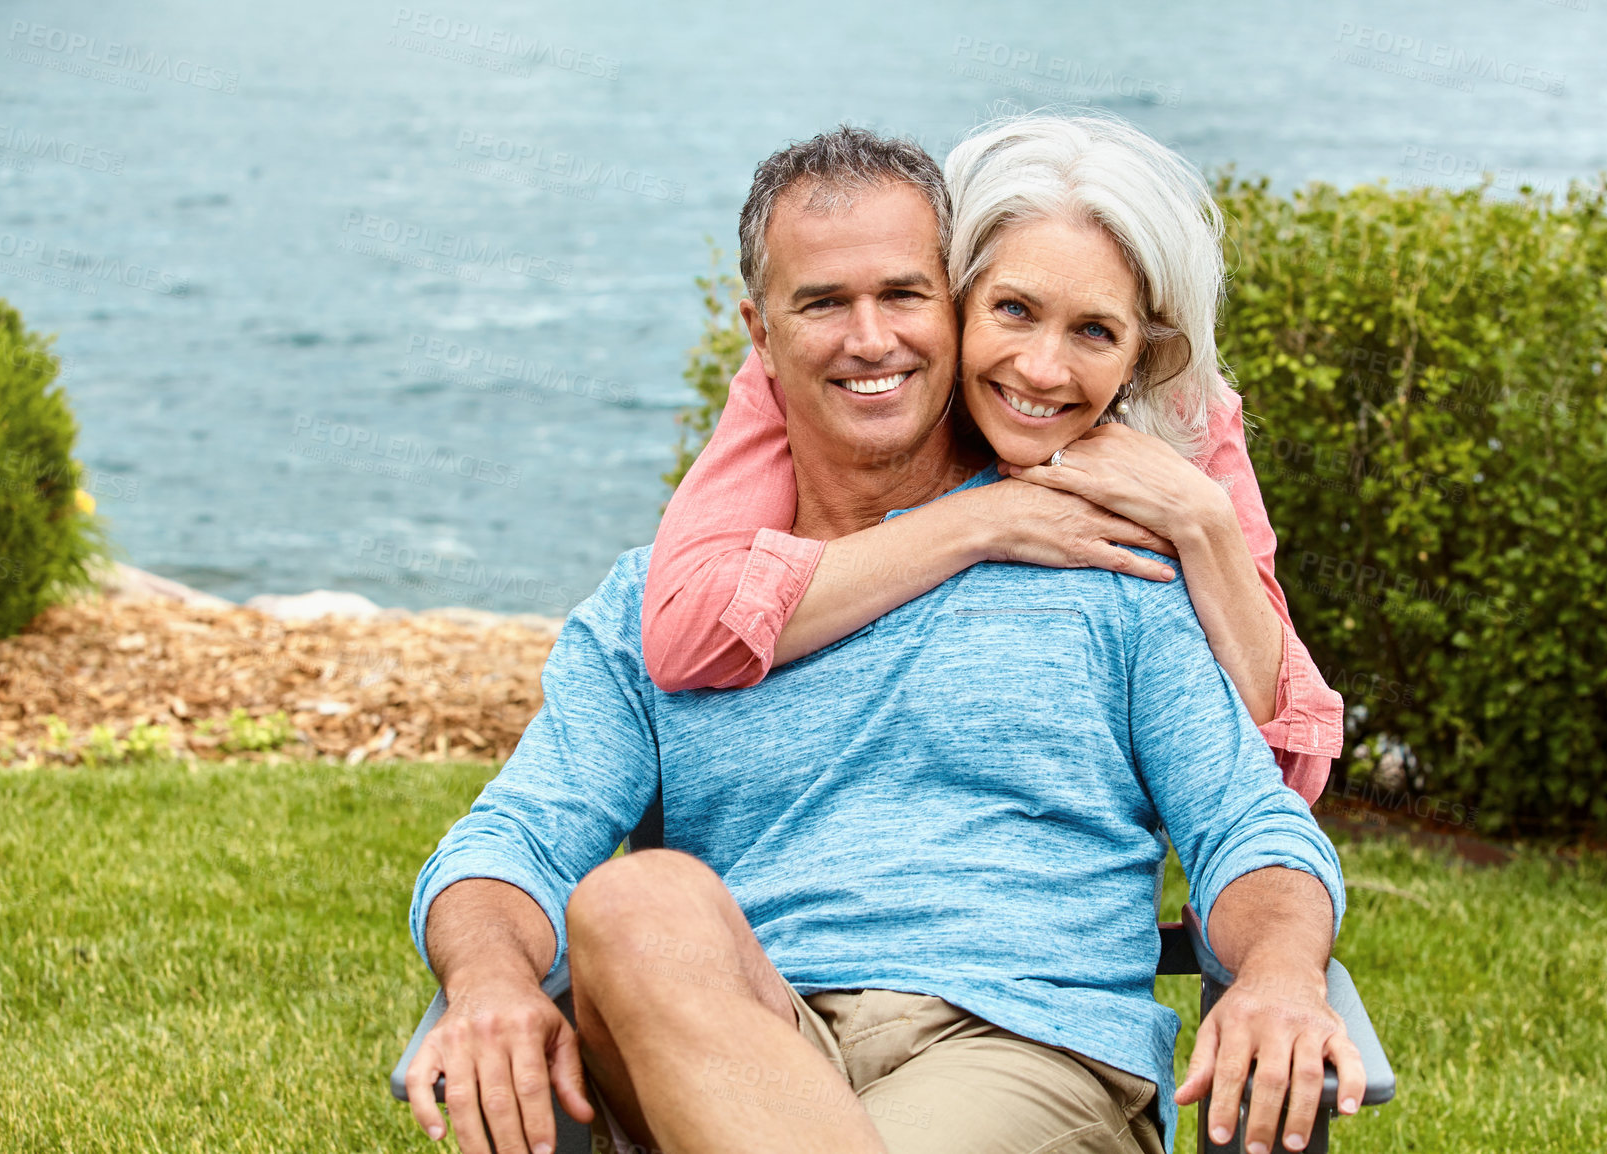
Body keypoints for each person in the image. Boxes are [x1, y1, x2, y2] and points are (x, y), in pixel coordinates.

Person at [405, 126, 1362, 1154]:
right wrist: (493, 978)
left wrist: (1276, 973)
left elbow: (1247, 821)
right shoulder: (662, 606)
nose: (871, 341)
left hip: (1025, 1046)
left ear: (947, 312)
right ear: (758, 333)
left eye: (903, 296)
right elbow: (512, 840)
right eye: (821, 303)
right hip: (738, 1045)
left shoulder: (1107, 563)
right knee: (637, 898)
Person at [643, 116, 1342, 802]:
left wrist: (1204, 522)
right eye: (1013, 309)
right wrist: (988, 519)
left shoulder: (1185, 412)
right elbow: (685, 635)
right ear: (955, 296)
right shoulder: (799, 380)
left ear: (1142, 354)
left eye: (1095, 330)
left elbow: (1287, 777)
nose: (1040, 370)